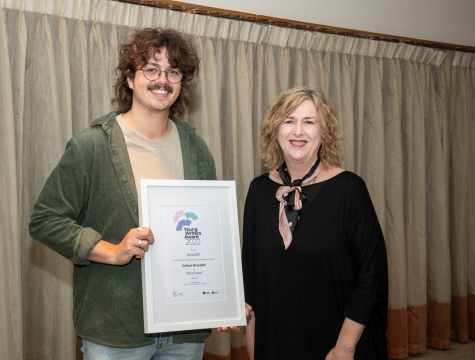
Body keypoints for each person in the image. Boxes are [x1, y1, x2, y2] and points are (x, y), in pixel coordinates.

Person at [29, 28, 216, 360]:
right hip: (115, 327)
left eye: (173, 71)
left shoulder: (196, 148)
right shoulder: (92, 146)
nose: (163, 80)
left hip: (185, 330)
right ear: (130, 79)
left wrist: (220, 299)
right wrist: (112, 251)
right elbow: (45, 220)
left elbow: (208, 236)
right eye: (151, 69)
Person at [241, 87, 388, 359]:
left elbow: (371, 276)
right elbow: (249, 274)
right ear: (275, 130)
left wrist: (344, 348)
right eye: (289, 121)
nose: (298, 132)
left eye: (309, 122)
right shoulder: (258, 191)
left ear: (324, 133)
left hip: (335, 344)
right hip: (275, 341)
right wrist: (253, 345)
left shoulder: (349, 189)